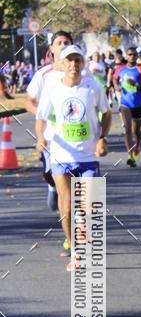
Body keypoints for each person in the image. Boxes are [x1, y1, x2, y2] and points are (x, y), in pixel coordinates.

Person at [35, 44, 111, 271]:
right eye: (69, 60)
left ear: (82, 63)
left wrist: (102, 138)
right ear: (62, 63)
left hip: (88, 156)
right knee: (67, 208)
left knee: (88, 208)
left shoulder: (93, 87)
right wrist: (41, 137)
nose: (73, 65)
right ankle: (76, 251)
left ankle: (82, 238)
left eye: (77, 60)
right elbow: (41, 118)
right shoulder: (52, 88)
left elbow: (107, 113)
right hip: (61, 156)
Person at [27, 30, 88, 221]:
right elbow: (29, 102)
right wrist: (43, 115)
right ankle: (53, 187)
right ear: (51, 49)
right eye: (59, 42)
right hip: (52, 137)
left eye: (66, 42)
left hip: (77, 135)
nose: (63, 45)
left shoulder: (82, 74)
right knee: (52, 175)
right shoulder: (43, 74)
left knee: (79, 181)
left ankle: (77, 221)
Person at [114, 46, 141, 167]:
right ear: (126, 56)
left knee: (136, 131)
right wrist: (117, 86)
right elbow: (115, 79)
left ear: (137, 56)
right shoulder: (121, 69)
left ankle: (137, 147)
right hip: (125, 104)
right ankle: (130, 155)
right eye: (130, 54)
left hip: (138, 104)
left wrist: (135, 85)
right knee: (128, 129)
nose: (132, 56)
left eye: (134, 54)